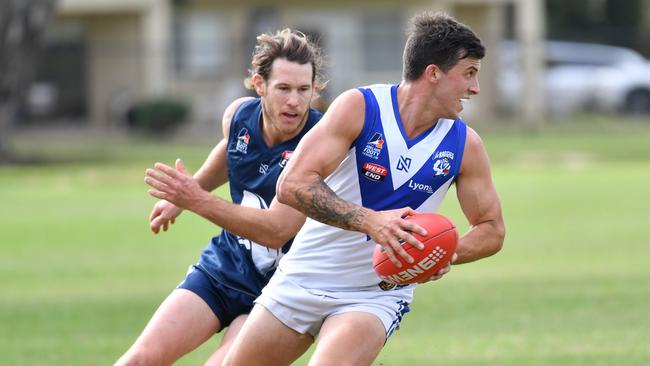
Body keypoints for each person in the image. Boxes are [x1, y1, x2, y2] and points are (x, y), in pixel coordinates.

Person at [222, 12, 506, 366]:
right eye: (469, 73)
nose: (475, 88)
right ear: (433, 73)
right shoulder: (360, 107)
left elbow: (491, 228)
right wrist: (371, 221)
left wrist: (444, 252)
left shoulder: (466, 145)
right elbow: (292, 185)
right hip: (303, 276)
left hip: (374, 296)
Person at [115, 28, 326, 366]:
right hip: (226, 267)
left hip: (284, 291)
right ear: (259, 85)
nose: (295, 101)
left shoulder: (321, 141)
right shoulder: (239, 116)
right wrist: (186, 194)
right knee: (139, 360)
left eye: (304, 90)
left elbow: (276, 230)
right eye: (284, 88)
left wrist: (195, 200)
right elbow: (230, 153)